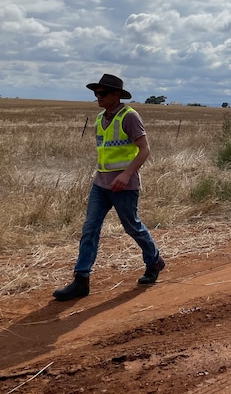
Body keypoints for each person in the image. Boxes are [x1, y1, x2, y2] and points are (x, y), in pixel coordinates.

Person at [53, 74, 165, 301]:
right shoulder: (99, 118)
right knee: (89, 229)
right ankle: (81, 280)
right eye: (96, 93)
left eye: (103, 93)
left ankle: (154, 261)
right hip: (101, 184)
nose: (98, 97)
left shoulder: (130, 116)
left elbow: (144, 150)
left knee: (132, 227)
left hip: (124, 186)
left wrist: (126, 175)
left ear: (117, 95)